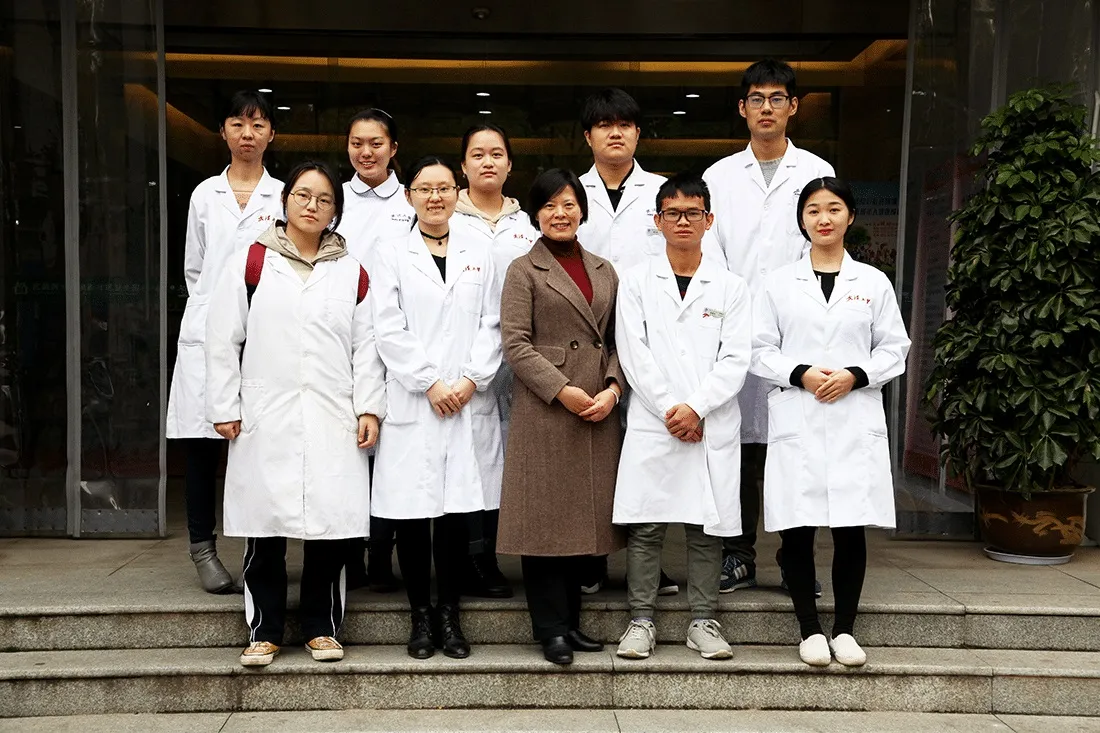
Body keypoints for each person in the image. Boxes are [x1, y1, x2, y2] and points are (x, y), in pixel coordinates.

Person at [204, 160, 386, 667]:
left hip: (333, 412)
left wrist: (369, 407)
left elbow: (367, 347)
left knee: (330, 527)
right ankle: (263, 629)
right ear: (285, 202)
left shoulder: (352, 270)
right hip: (266, 411)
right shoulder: (252, 261)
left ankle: (322, 627)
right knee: (264, 525)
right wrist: (223, 404)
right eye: (303, 195)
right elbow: (223, 337)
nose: (312, 205)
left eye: (324, 199)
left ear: (335, 211)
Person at [751, 177, 909, 667]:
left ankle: (844, 629)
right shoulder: (777, 283)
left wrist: (856, 374)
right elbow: (758, 350)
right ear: (802, 220)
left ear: (850, 217)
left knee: (849, 526)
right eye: (814, 209)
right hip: (799, 409)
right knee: (797, 527)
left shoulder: (873, 283)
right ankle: (808, 629)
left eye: (834, 208)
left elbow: (895, 347)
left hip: (852, 413)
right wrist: (799, 373)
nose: (824, 218)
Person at [702, 58, 835, 595]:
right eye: (756, 99)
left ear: (793, 107)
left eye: (776, 98)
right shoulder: (717, 176)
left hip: (794, 334)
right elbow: (708, 255)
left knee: (789, 446)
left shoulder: (816, 172)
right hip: (732, 329)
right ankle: (737, 554)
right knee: (736, 447)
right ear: (742, 108)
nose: (766, 108)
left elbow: (823, 246)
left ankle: (792, 557)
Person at [612, 174, 751, 661]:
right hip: (656, 421)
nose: (683, 221)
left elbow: (735, 359)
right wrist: (673, 408)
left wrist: (697, 408)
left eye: (694, 212)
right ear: (658, 221)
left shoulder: (731, 287)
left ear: (709, 220)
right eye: (673, 212)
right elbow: (633, 353)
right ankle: (641, 620)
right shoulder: (634, 281)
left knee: (705, 525)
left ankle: (704, 620)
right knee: (647, 524)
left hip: (708, 421)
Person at [370, 156, 503, 660]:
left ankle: (451, 615)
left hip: (464, 399)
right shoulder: (390, 250)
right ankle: (420, 616)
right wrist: (429, 383)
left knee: (453, 515)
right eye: (424, 189)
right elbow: (388, 326)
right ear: (409, 196)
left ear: (457, 192)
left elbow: (493, 322)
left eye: (444, 188)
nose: (435, 197)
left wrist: (470, 380)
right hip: (415, 400)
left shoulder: (479, 248)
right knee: (411, 513)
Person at [496, 168, 625, 666]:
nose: (560, 213)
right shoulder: (523, 269)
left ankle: (571, 625)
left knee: (581, 527)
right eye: (549, 205)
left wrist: (613, 388)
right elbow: (515, 344)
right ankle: (549, 629)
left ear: (582, 211)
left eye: (569, 204)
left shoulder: (604, 269)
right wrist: (564, 390)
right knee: (544, 524)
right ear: (535, 213)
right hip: (549, 410)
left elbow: (619, 340)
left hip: (598, 410)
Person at [166, 89, 283, 594]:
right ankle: (202, 547)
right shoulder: (203, 194)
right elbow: (196, 267)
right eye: (238, 124)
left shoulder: (283, 195)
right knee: (201, 444)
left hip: (265, 332)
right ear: (223, 132)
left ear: (271, 135)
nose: (248, 134)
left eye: (257, 125)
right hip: (207, 331)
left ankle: (260, 547)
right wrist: (216, 317)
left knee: (259, 443)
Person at [575, 88, 675, 596]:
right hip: (586, 342)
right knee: (593, 454)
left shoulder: (664, 193)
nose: (616, 132)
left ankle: (647, 561)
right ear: (588, 135)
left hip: (655, 341)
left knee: (648, 453)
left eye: (626, 124)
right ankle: (591, 559)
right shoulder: (570, 193)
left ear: (638, 133)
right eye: (605, 124)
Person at [453, 123, 539, 599]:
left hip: (516, 361)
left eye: (497, 154)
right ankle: (468, 557)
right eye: (477, 154)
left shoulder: (526, 226)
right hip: (462, 360)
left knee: (502, 462)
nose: (488, 162)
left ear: (510, 165)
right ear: (463, 165)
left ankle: (496, 555)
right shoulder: (447, 217)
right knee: (468, 460)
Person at [337, 108, 415, 594]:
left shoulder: (408, 203)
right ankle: (349, 554)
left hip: (394, 333)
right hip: (339, 334)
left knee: (389, 449)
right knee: (348, 445)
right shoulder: (332, 196)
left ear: (393, 148)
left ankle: (383, 555)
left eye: (376, 143)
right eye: (356, 143)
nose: (366, 152)